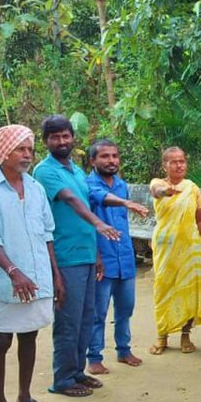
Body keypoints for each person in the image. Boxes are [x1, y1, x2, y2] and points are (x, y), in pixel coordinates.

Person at [0, 124, 62, 402]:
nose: (27, 155)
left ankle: (24, 397)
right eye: (20, 149)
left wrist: (56, 275)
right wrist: (14, 272)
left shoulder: (35, 188)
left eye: (29, 149)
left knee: (30, 334)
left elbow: (47, 234)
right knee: (2, 337)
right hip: (8, 281)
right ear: (2, 152)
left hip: (39, 277)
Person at [32, 115, 121, 397]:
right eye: (55, 137)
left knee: (86, 318)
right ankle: (62, 379)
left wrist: (96, 253)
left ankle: (77, 371)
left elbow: (81, 202)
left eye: (66, 136)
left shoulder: (76, 170)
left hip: (85, 255)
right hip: (64, 257)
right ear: (45, 141)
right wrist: (98, 222)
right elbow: (71, 200)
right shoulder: (44, 171)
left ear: (73, 138)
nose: (61, 141)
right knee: (68, 320)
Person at [85, 137, 150, 374]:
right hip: (102, 259)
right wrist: (96, 255)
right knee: (98, 311)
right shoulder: (87, 185)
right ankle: (94, 357)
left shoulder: (121, 185)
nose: (111, 160)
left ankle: (124, 350)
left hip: (125, 258)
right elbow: (100, 200)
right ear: (93, 160)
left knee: (126, 308)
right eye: (105, 156)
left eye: (114, 156)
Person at [148, 146, 201, 354]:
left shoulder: (192, 187)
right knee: (164, 288)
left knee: (190, 290)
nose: (179, 165)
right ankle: (162, 336)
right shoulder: (158, 183)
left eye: (182, 161)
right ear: (164, 165)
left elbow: (200, 219)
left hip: (191, 246)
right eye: (173, 161)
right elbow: (156, 192)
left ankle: (186, 336)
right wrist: (167, 192)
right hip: (166, 246)